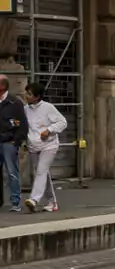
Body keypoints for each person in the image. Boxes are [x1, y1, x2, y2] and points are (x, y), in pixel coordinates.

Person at [22, 83, 67, 212]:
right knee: (42, 173)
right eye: (26, 93)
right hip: (33, 146)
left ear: (37, 97)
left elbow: (63, 122)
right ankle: (52, 202)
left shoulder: (48, 108)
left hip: (49, 145)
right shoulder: (26, 110)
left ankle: (34, 199)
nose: (26, 96)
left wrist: (49, 130)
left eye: (29, 94)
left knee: (41, 171)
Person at [0, 75, 27, 212]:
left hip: (8, 142)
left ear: (3, 86)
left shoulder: (15, 103)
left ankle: (15, 202)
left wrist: (15, 141)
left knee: (12, 172)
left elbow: (22, 125)